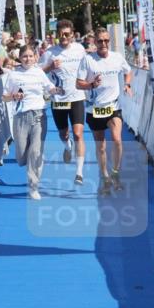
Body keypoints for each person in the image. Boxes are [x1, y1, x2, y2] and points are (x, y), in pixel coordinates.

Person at [2, 43, 64, 199]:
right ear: (20, 58)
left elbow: (49, 87)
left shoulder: (39, 73)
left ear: (35, 57)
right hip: (21, 117)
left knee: (35, 152)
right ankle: (29, 161)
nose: (28, 59)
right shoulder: (13, 74)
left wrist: (56, 90)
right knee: (22, 155)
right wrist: (14, 96)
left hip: (38, 115)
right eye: (25, 56)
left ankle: (33, 187)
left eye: (30, 56)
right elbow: (4, 97)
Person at [77, 28, 133, 195]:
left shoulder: (117, 58)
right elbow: (78, 83)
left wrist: (127, 84)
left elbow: (128, 71)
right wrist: (91, 84)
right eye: (100, 41)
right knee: (100, 147)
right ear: (94, 42)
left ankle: (115, 173)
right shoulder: (88, 60)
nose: (103, 44)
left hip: (113, 106)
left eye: (106, 41)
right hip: (94, 108)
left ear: (110, 42)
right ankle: (105, 176)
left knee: (117, 139)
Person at [41, 19, 88, 184]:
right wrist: (50, 67)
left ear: (72, 34)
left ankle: (79, 173)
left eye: (67, 34)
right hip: (59, 99)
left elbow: (87, 67)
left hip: (77, 97)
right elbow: (38, 73)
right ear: (57, 35)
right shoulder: (49, 53)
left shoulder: (79, 49)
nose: (64, 37)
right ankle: (68, 147)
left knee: (78, 133)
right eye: (61, 34)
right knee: (64, 133)